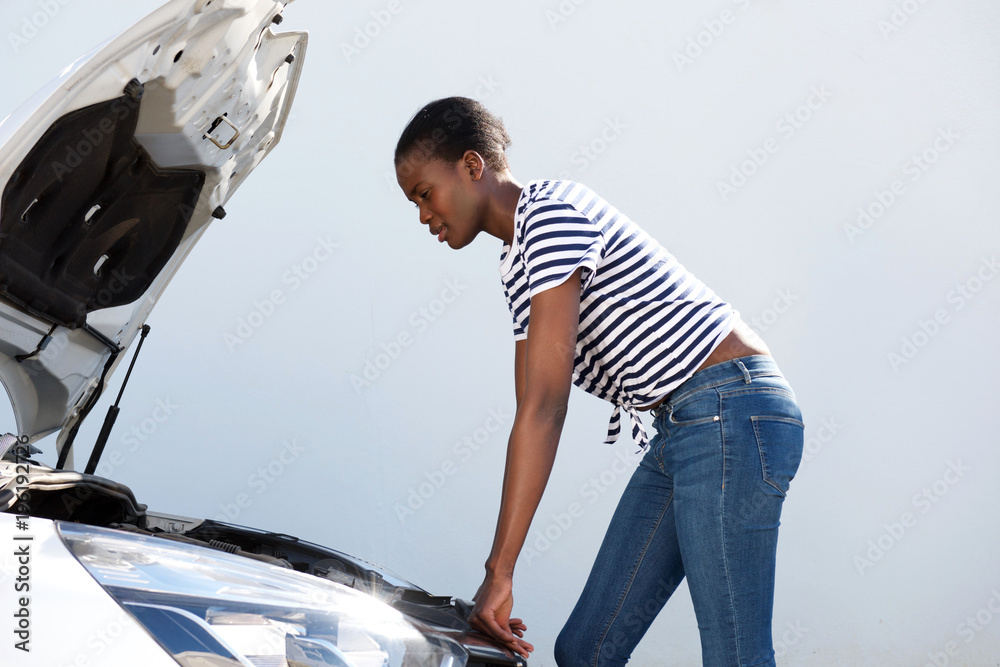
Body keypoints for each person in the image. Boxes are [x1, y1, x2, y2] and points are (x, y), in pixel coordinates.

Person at [393, 96, 805, 667]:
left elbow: (546, 408)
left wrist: (499, 572)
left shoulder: (549, 216)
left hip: (731, 411)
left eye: (423, 193)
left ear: (470, 166)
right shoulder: (519, 264)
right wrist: (499, 572)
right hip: (686, 427)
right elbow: (529, 409)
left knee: (735, 652)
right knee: (586, 650)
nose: (422, 215)